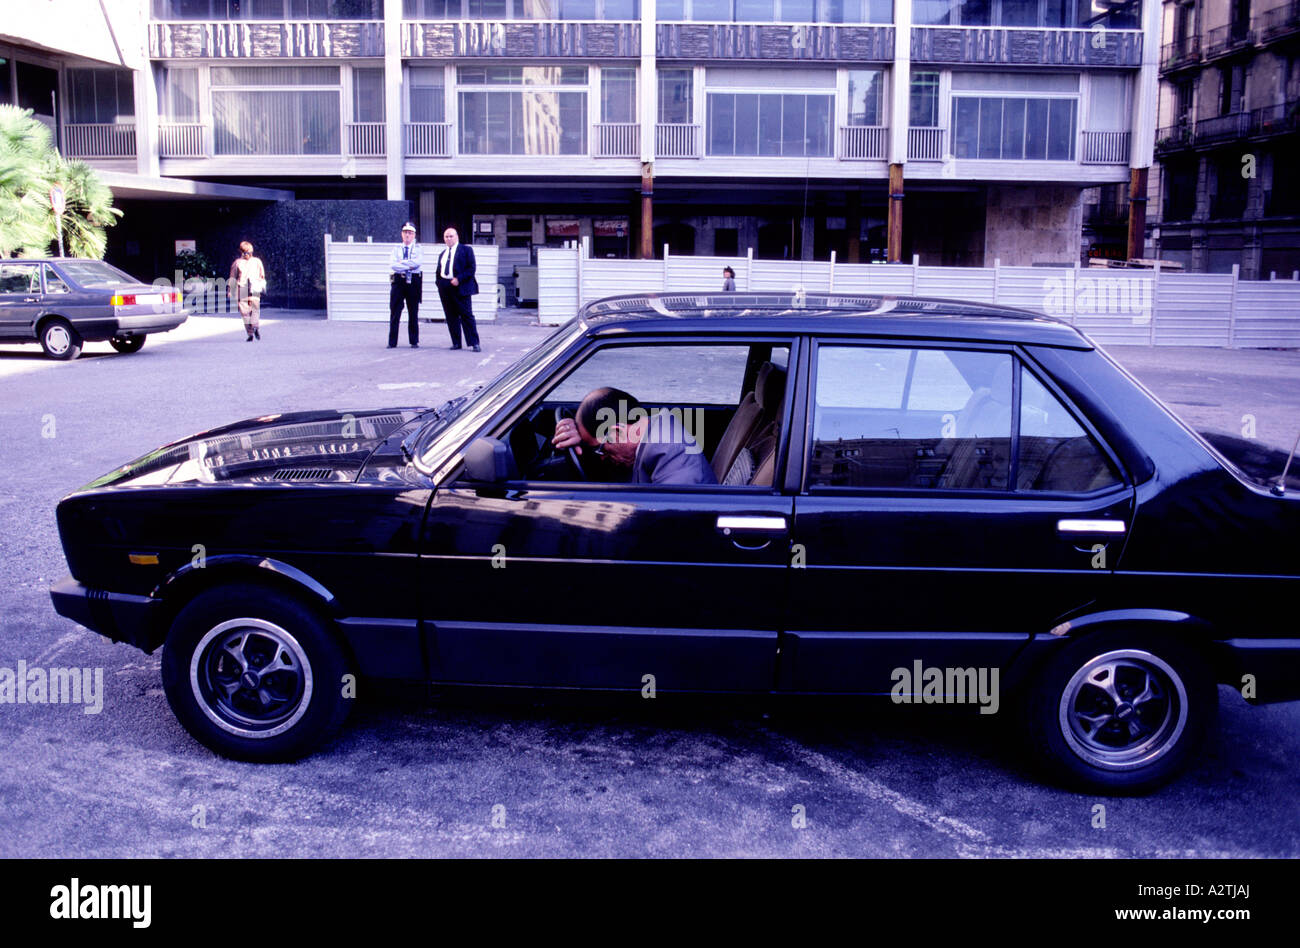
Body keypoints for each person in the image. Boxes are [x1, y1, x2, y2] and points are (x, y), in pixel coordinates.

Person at [551, 387, 717, 486]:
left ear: (617, 433)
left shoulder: (674, 456)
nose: (602, 458)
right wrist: (579, 435)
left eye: (600, 450)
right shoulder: (650, 435)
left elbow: (667, 525)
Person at [434, 226, 480, 352]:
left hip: (460, 287)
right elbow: (439, 270)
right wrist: (439, 283)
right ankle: (456, 342)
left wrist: (459, 279)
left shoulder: (466, 250)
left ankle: (474, 343)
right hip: (445, 287)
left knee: (466, 315)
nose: (448, 239)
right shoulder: (442, 254)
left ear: (457, 237)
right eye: (446, 236)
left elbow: (471, 268)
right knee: (450, 316)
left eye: (451, 236)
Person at [388, 222, 423, 348]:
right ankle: (392, 342)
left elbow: (418, 263)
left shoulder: (418, 249)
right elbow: (393, 265)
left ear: (414, 235)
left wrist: (401, 262)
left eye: (410, 233)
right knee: (395, 311)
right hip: (398, 281)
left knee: (413, 311)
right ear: (402, 234)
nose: (407, 235)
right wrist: (409, 264)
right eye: (405, 232)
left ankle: (414, 341)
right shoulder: (396, 248)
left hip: (413, 281)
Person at [228, 241, 266, 341]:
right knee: (245, 313)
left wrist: (262, 285)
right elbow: (233, 278)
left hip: (254, 289)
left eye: (250, 252)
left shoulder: (257, 261)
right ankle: (251, 333)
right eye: (246, 253)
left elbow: (262, 275)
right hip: (242, 290)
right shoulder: (237, 263)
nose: (249, 255)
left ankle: (254, 327)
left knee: (254, 310)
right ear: (241, 252)